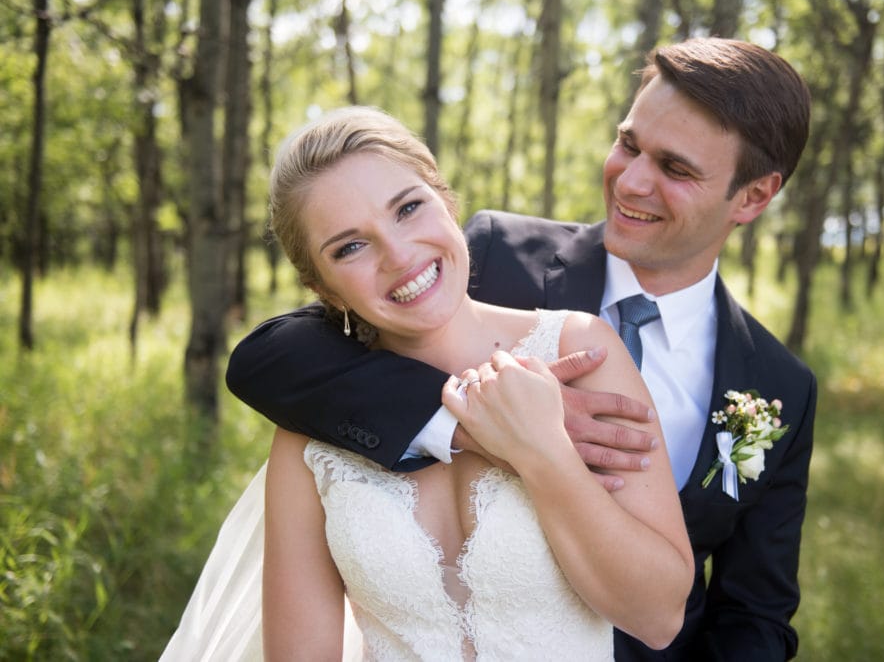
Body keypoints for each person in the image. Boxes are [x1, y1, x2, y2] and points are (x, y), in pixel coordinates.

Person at [227, 37, 817, 660]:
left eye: (675, 169)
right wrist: (467, 421)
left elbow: (754, 612)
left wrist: (540, 448)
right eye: (628, 144)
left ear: (753, 197)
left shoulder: (778, 387)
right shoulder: (485, 253)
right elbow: (272, 357)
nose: (631, 180)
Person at [164, 106, 694, 660]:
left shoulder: (579, 351)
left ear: (446, 199)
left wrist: (542, 452)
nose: (398, 255)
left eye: (409, 208)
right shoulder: (312, 430)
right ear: (321, 286)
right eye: (350, 247)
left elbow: (658, 617)